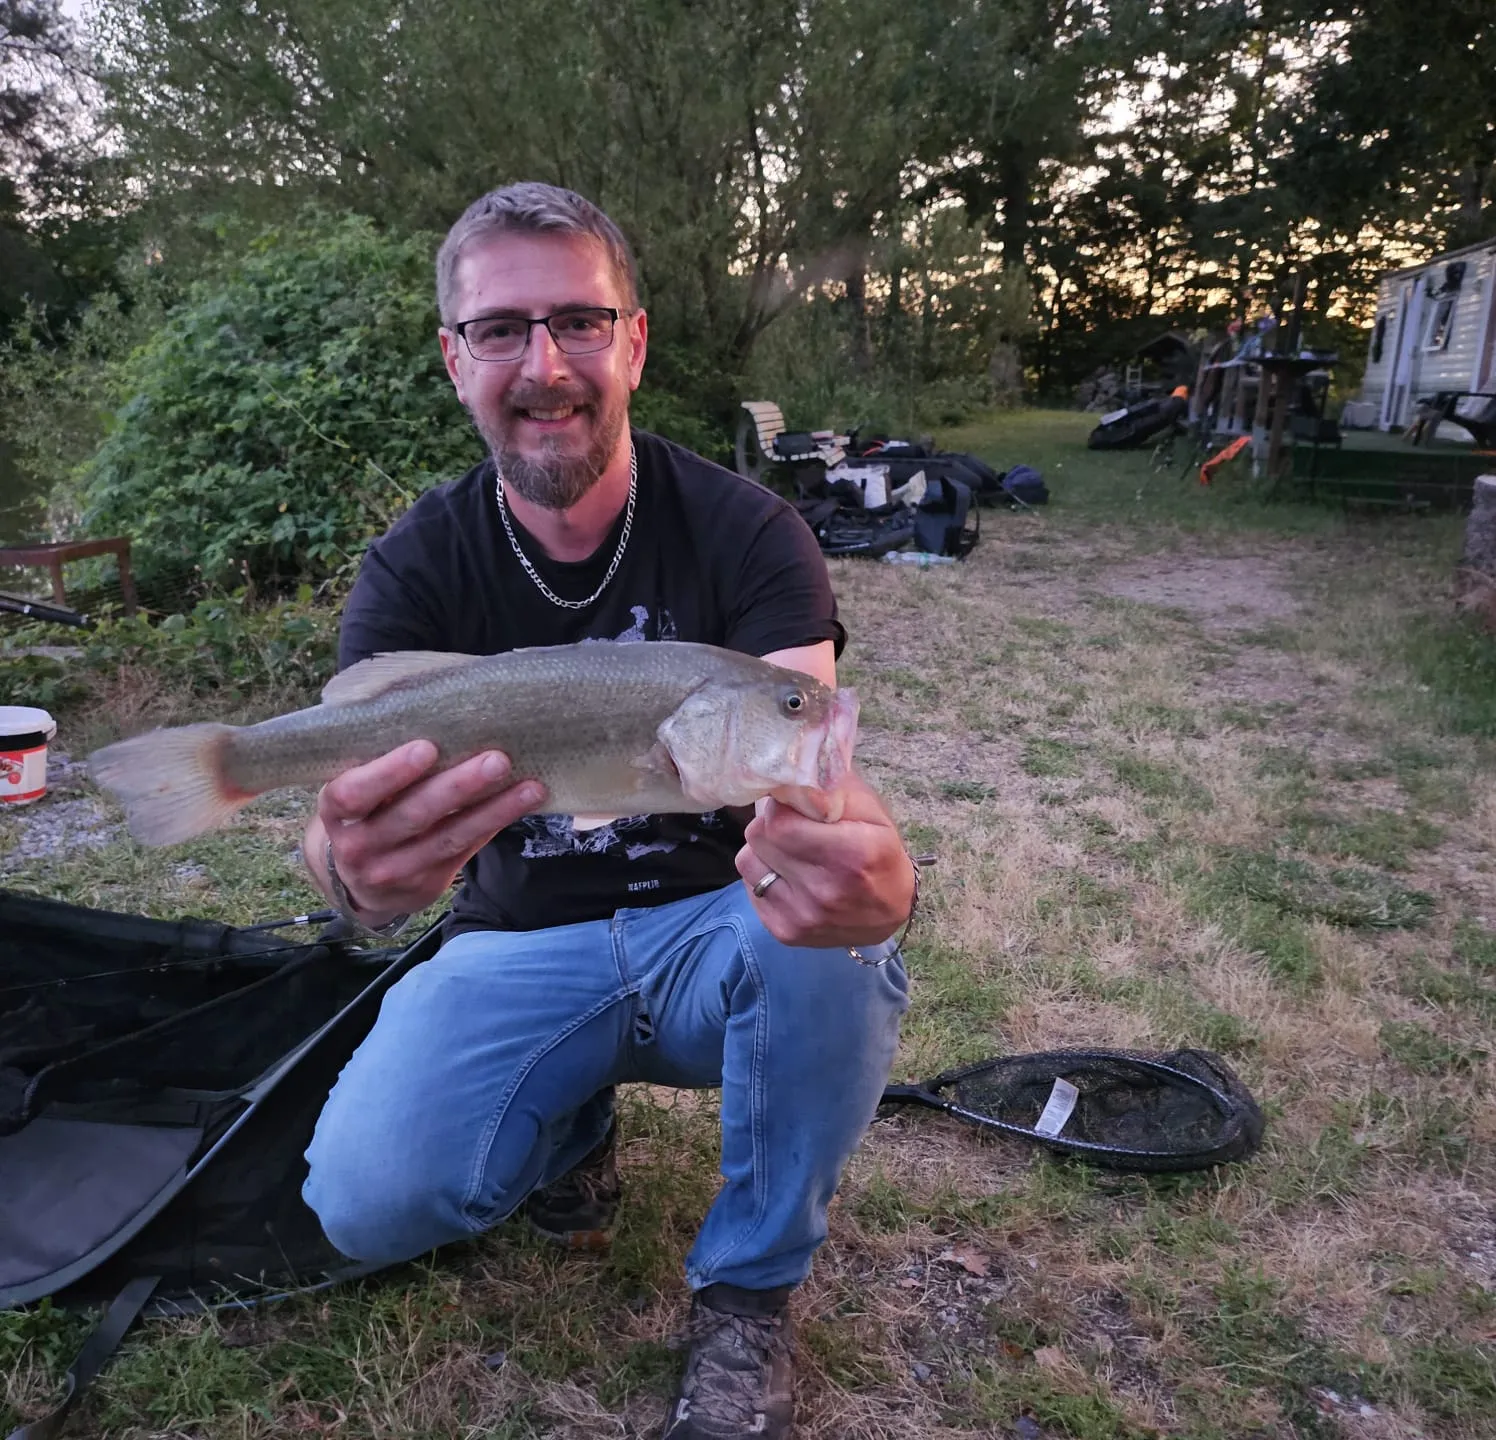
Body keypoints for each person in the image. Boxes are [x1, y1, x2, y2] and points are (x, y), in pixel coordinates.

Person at [298, 182, 918, 1440]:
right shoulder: (415, 563)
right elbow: (340, 823)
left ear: (633, 341)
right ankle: (567, 1118)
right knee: (366, 1202)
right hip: (512, 941)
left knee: (826, 942)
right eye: (500, 329)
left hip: (714, 938)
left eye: (580, 322)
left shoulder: (748, 529)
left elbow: (806, 754)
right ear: (453, 357)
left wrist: (871, 882)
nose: (544, 364)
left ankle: (747, 1295)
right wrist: (349, 875)